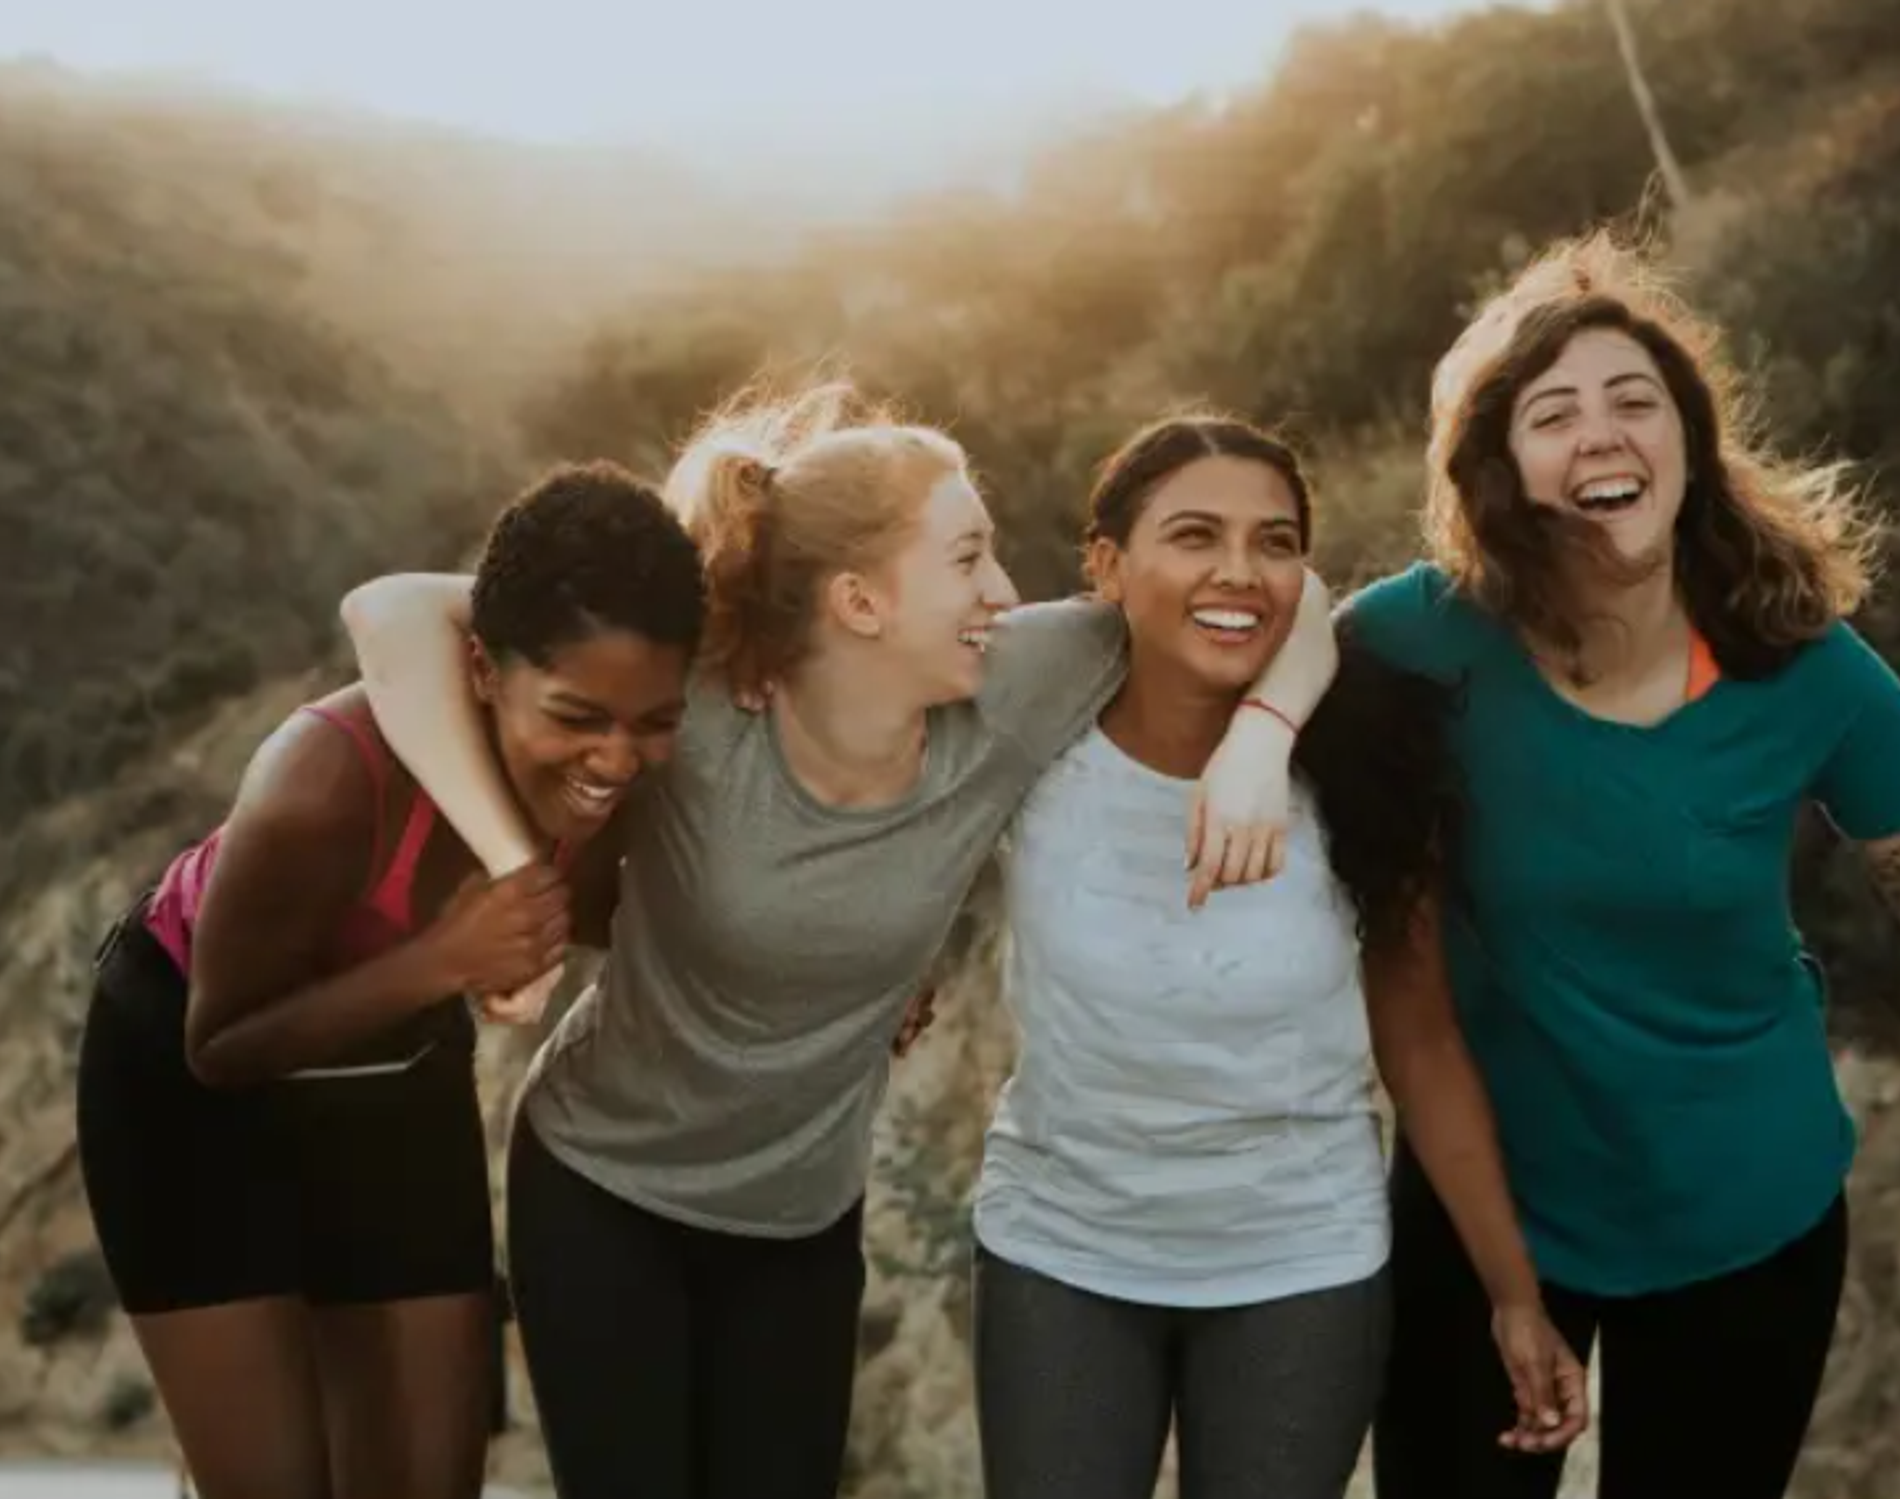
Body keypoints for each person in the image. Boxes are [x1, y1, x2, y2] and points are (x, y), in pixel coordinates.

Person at [335, 381, 1328, 1499]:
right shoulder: (698, 698)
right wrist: (513, 864)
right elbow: (391, 613)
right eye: (966, 558)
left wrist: (1260, 739)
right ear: (858, 599)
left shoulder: (1013, 684)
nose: (1003, 589)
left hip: (800, 1220)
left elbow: (1282, 594)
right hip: (603, 1188)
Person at [1351, 232, 1900, 1499]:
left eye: (1635, 401)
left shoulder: (1804, 664)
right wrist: (1254, 748)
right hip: (1485, 1209)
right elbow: (1245, 655)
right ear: (1500, 468)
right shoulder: (1418, 637)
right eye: (1551, 412)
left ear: (1687, 444)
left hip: (1743, 1216)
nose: (1600, 433)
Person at [968, 414, 1588, 1499]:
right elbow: (889, 807)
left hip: (1297, 1261)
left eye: (1274, 541)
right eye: (1193, 535)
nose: (1237, 572)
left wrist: (1513, 1290)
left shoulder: (1364, 764)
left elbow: (1421, 1040)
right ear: (1107, 567)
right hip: (1059, 1248)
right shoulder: (1031, 728)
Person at [74, 462, 704, 1499]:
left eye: (654, 721)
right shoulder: (323, 779)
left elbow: (650, 915)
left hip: (393, 1069)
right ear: (483, 669)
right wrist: (443, 960)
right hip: (188, 1086)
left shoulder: (621, 781)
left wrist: (861, 979)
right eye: (578, 714)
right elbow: (218, 1045)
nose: (617, 757)